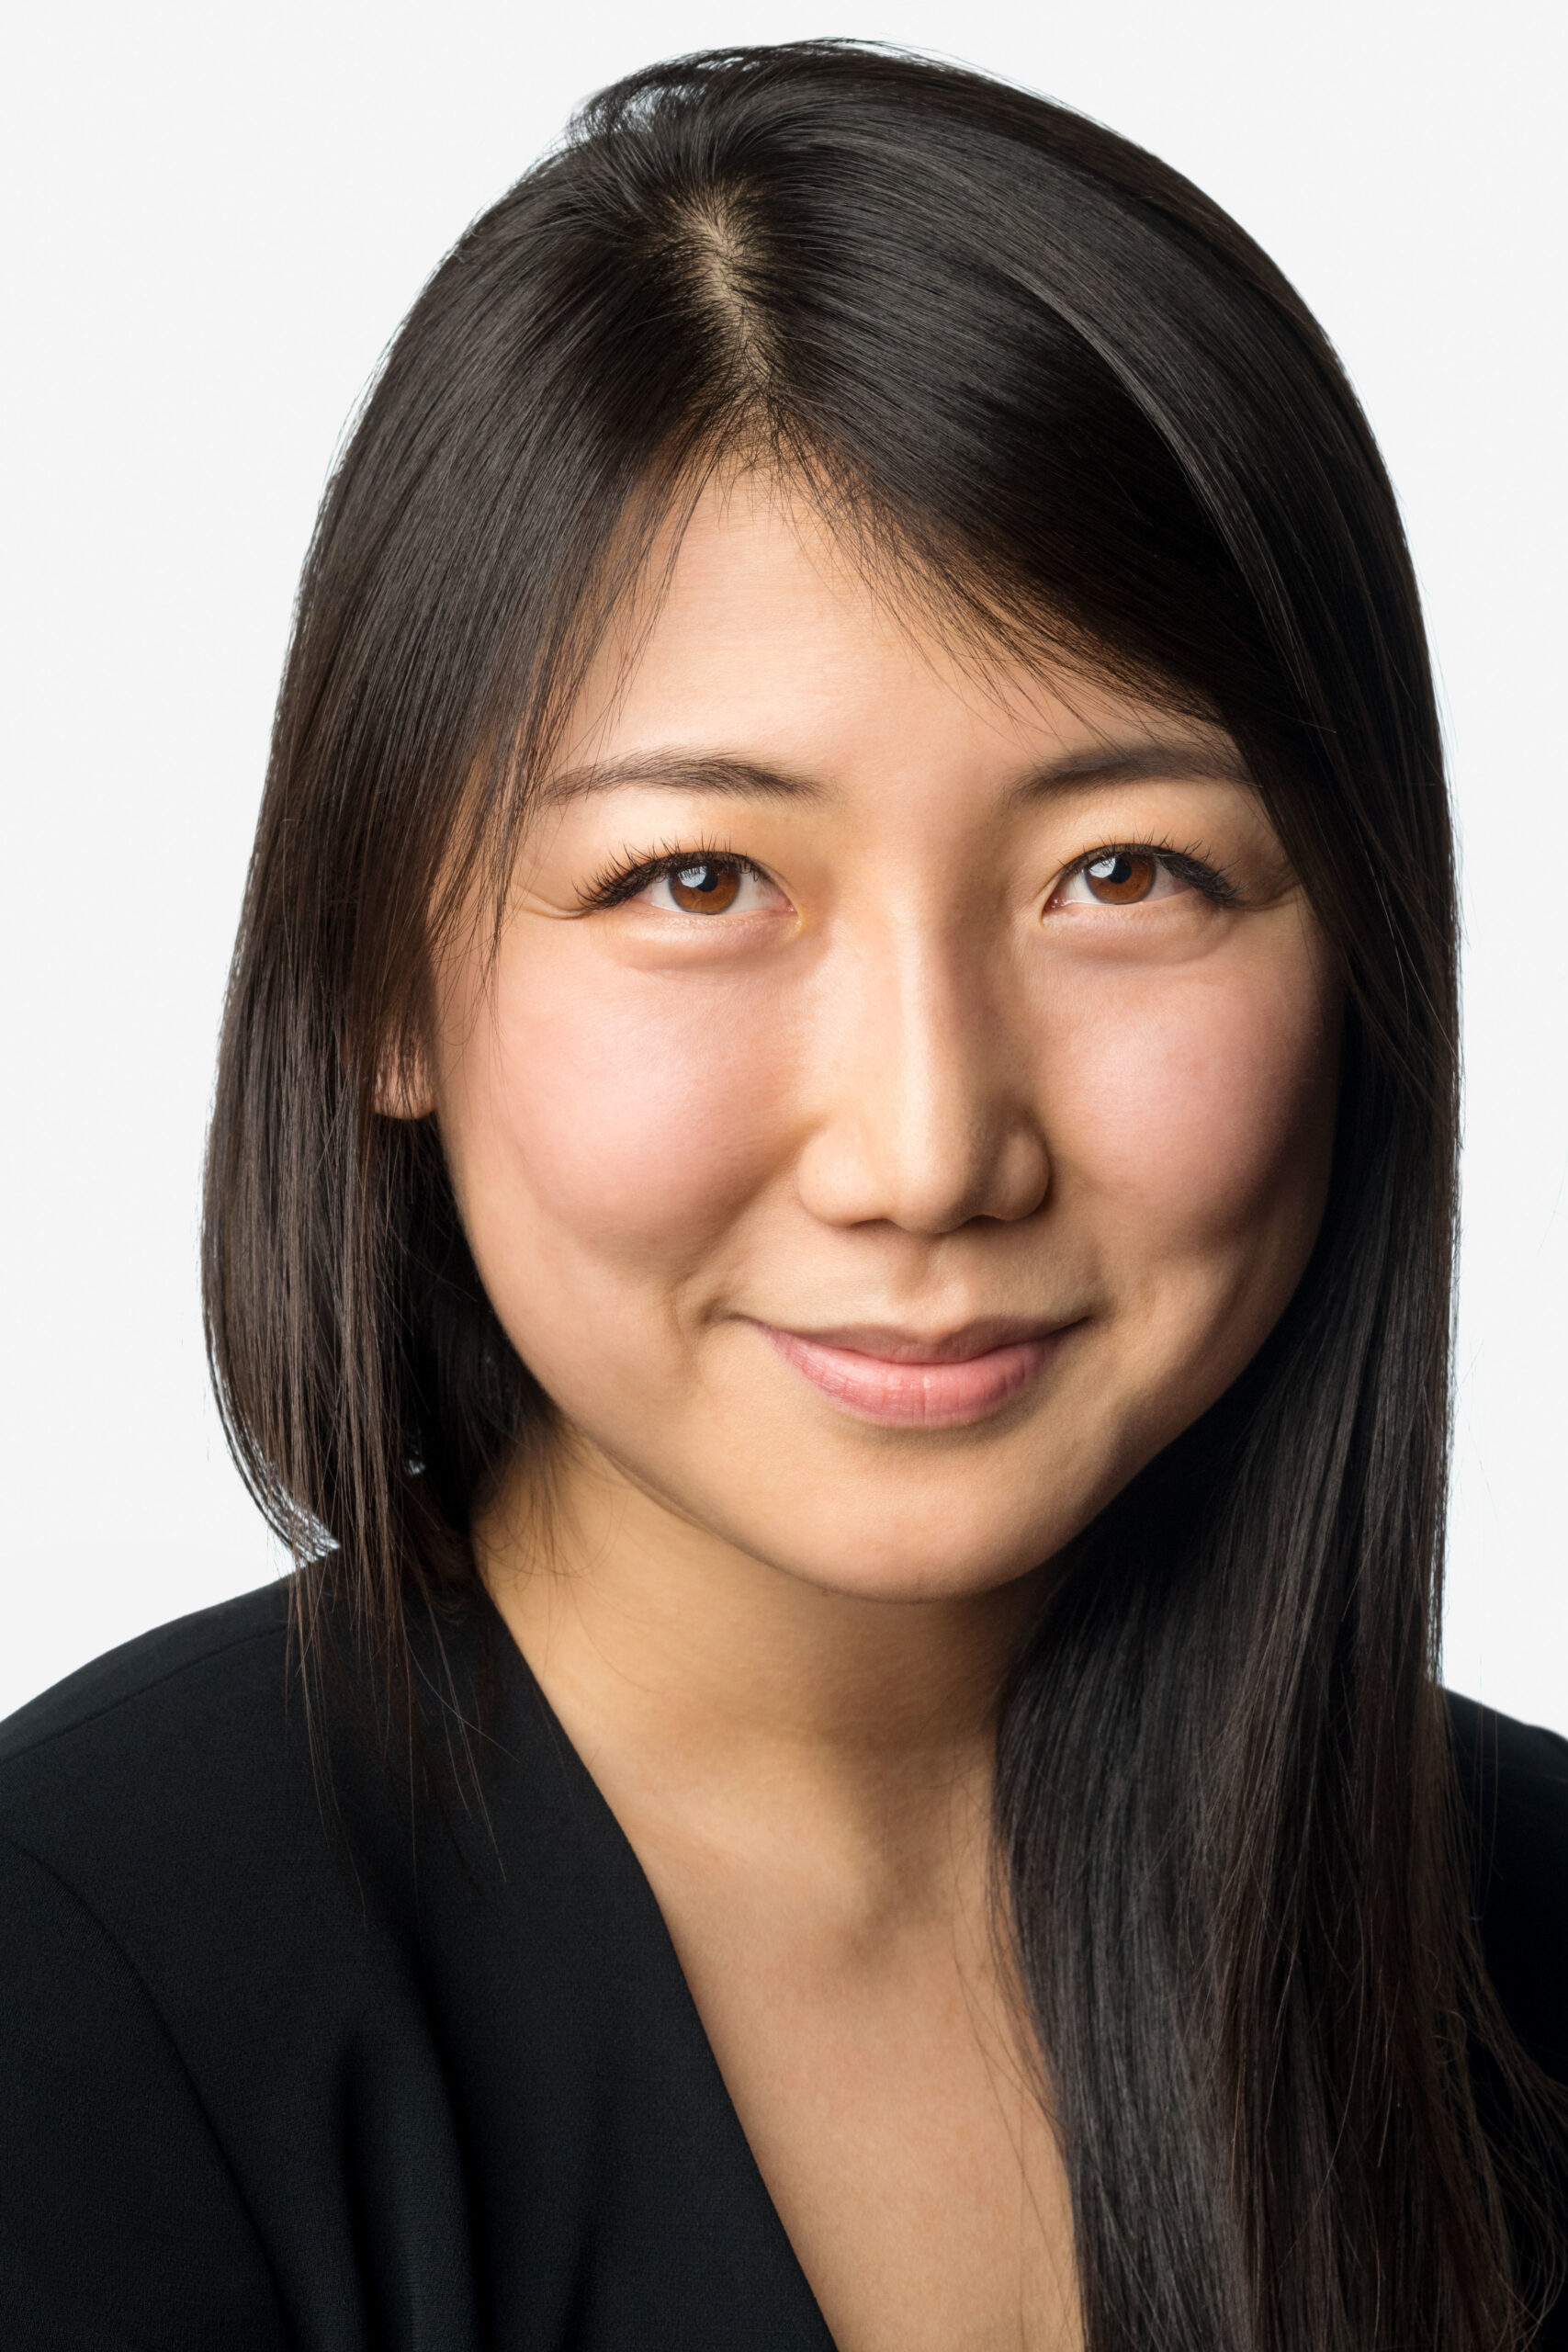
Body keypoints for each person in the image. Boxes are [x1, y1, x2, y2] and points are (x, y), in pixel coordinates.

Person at [2, 40, 1563, 2352]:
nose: (929, 1148)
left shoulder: (1532, 1933)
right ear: (380, 989)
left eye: (1121, 871)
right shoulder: (79, 1986)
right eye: (697, 874)